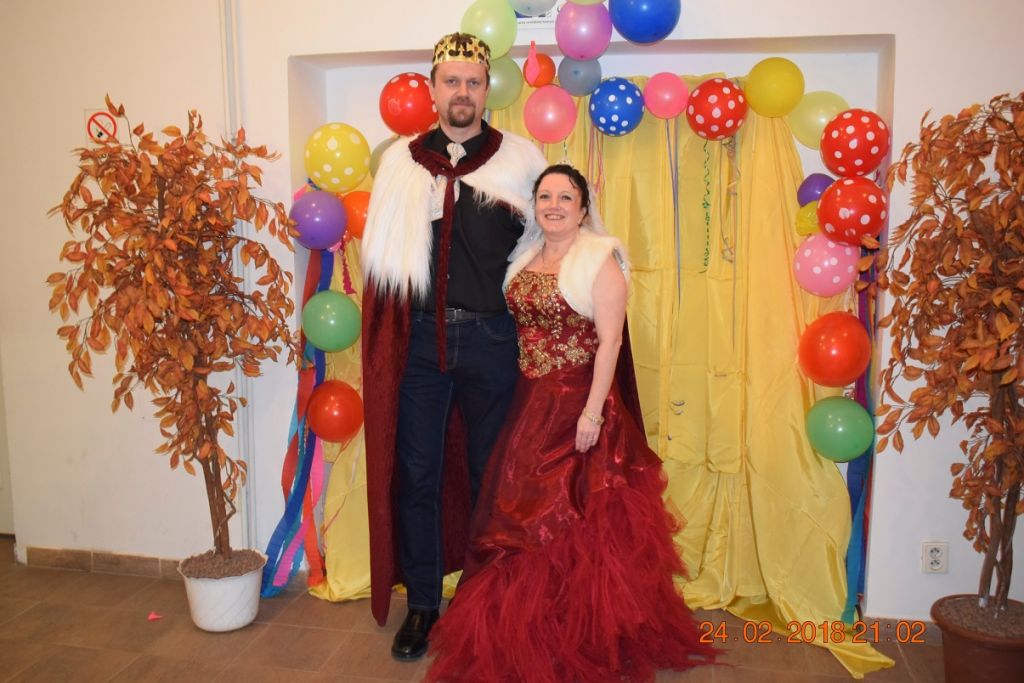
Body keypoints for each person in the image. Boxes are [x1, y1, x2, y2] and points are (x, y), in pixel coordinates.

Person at [425, 165, 718, 682]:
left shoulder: (599, 258)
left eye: (566, 197)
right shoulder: (525, 256)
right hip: (530, 404)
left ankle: (579, 636)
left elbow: (611, 342)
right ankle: (529, 632)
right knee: (519, 517)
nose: (554, 205)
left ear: (583, 208)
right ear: (535, 205)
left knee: (577, 521)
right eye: (545, 196)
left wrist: (591, 414)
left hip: (578, 407)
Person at [360, 31, 548, 661]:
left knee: (492, 474)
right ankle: (422, 603)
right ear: (433, 89)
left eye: (472, 81)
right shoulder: (402, 162)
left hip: (494, 340)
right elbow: (382, 262)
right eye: (451, 81)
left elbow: (548, 245)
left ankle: (486, 601)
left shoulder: (519, 160)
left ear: (486, 89)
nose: (462, 92)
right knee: (417, 473)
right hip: (419, 341)